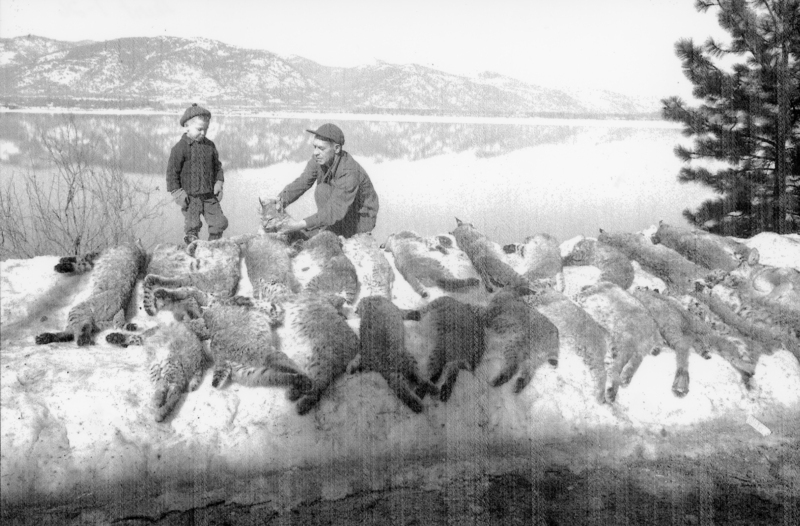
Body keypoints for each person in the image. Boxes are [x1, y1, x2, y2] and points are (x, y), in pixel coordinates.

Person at [272, 123, 379, 238]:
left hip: (360, 219)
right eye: (315, 147)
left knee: (322, 191)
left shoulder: (350, 171)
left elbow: (335, 208)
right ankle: (328, 227)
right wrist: (278, 201)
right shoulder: (320, 159)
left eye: (321, 148)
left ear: (336, 148)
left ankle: (335, 231)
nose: (315, 152)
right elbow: (302, 182)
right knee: (322, 190)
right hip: (342, 208)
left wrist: (298, 225)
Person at [166, 103, 228, 244]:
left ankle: (214, 245)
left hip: (209, 195)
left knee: (219, 222)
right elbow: (171, 174)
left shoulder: (210, 146)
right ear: (187, 126)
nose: (203, 133)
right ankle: (192, 246)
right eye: (199, 129)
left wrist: (219, 183)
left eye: (205, 129)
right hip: (190, 197)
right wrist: (177, 193)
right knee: (192, 225)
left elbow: (218, 167)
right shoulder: (179, 148)